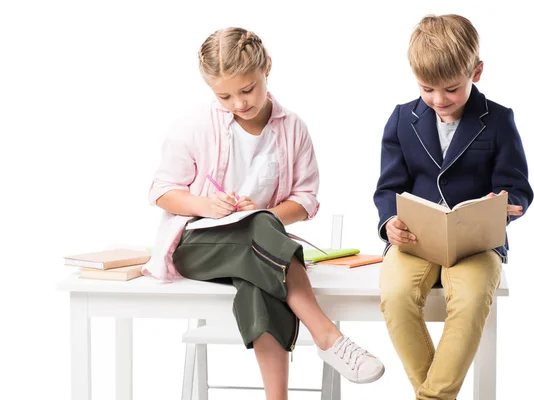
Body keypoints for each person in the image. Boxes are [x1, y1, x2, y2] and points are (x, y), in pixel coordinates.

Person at [144, 27, 385, 399]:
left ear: (267, 68)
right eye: (224, 96)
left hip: (261, 253)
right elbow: (161, 191)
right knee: (262, 236)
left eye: (247, 90)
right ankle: (327, 334)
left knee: (261, 274)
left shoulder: (292, 128)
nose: (239, 103)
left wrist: (267, 213)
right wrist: (205, 205)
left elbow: (305, 200)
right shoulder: (194, 126)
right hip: (199, 245)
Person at [373, 14, 534, 400]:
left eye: (451, 89)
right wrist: (389, 222)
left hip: (476, 243)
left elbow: (516, 186)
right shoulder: (401, 119)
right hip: (415, 237)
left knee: (473, 299)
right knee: (395, 296)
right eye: (427, 89)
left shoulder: (497, 120)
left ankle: (432, 396)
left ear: (476, 72)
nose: (439, 100)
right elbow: (388, 188)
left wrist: (509, 203)